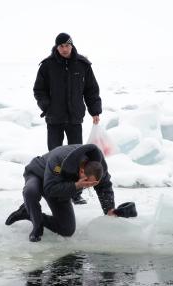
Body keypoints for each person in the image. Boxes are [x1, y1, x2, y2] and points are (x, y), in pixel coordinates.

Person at [33, 32, 102, 204]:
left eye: (67, 45)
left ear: (72, 46)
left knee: (77, 156)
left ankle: (75, 193)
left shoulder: (82, 65)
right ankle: (54, 189)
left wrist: (95, 111)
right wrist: (47, 106)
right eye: (61, 46)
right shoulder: (47, 65)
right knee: (54, 156)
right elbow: (38, 90)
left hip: (74, 118)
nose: (64, 49)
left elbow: (91, 90)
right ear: (57, 47)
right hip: (54, 119)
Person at [5, 144, 115, 242]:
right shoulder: (59, 161)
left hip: (59, 183)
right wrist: (76, 185)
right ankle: (37, 226)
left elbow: (105, 186)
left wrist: (109, 209)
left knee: (67, 229)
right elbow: (49, 188)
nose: (89, 186)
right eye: (87, 182)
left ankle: (26, 212)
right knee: (31, 192)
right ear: (81, 171)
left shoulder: (98, 167)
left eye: (93, 184)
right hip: (38, 174)